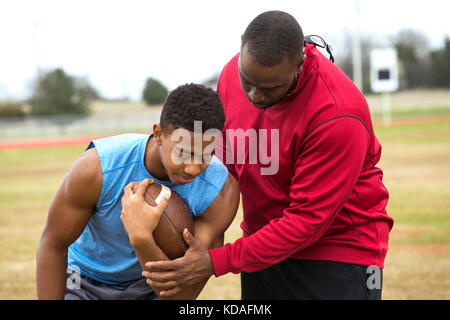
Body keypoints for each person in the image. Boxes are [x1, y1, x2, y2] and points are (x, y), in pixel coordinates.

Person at [139, 11, 394, 300]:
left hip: (338, 253)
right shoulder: (229, 76)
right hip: (263, 249)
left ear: (299, 64)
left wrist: (215, 260)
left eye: (269, 89)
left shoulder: (337, 112)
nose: (254, 96)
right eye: (248, 81)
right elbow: (224, 172)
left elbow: (306, 222)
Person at [36, 83, 240, 300]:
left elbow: (181, 296)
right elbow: (53, 245)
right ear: (159, 134)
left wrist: (141, 237)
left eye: (205, 155)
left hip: (148, 288)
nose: (193, 168)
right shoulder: (98, 168)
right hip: (82, 279)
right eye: (183, 153)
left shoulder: (220, 192)